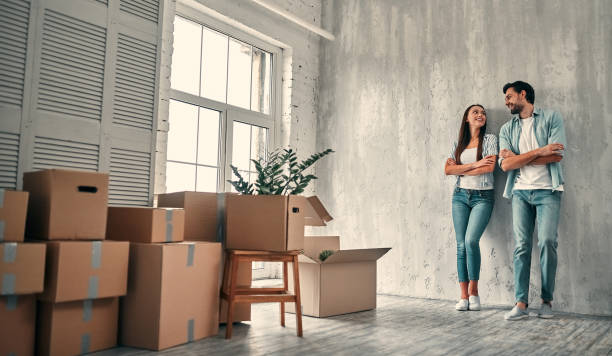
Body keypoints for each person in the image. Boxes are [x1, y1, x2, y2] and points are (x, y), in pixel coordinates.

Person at [498, 81, 566, 321]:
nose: (506, 101)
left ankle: (546, 301)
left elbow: (556, 156)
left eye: (509, 96)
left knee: (548, 242)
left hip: (548, 190)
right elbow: (506, 165)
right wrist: (539, 151)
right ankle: (521, 304)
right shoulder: (507, 128)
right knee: (522, 247)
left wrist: (519, 158)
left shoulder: (551, 118)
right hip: (520, 192)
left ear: (522, 94)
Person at [445, 104, 498, 311]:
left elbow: (490, 167)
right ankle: (463, 296)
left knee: (470, 241)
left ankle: (474, 293)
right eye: (475, 112)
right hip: (459, 196)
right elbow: (448, 170)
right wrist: (475, 165)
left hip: (482, 197)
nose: (480, 115)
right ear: (466, 118)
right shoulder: (458, 144)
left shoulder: (490, 140)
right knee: (460, 246)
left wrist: (461, 169)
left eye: (483, 113)